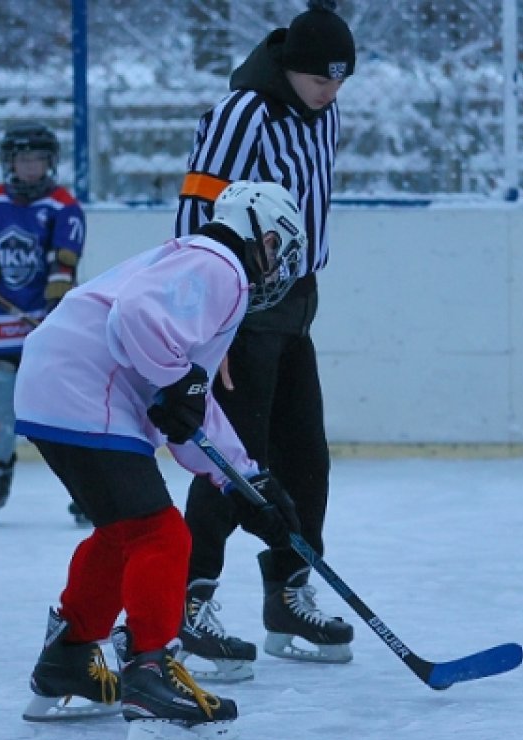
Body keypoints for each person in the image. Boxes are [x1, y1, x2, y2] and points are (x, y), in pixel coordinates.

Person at [13, 181, 307, 740]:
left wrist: (248, 482)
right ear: (265, 241)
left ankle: (69, 660)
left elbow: (190, 413)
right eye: (282, 256)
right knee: (161, 534)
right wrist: (184, 383)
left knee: (122, 533)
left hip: (52, 384)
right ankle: (151, 676)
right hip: (82, 388)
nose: (279, 272)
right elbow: (138, 319)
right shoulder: (220, 263)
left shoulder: (195, 262)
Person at [171, 0, 356, 682]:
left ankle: (288, 592)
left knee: (306, 459)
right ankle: (188, 601)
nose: (330, 93)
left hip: (296, 307)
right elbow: (196, 209)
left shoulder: (325, 112)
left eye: (340, 81)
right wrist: (202, 327)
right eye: (319, 80)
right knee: (230, 465)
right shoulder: (241, 113)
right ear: (289, 68)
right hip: (237, 312)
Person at [0, 122, 88, 527]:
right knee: (1, 397)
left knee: (59, 407)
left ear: (50, 163)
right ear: (10, 162)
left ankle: (86, 487)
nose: (30, 167)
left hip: (47, 318)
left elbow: (63, 265)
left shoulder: (64, 205)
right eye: (22, 158)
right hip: (5, 317)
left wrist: (52, 312)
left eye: (37, 159)